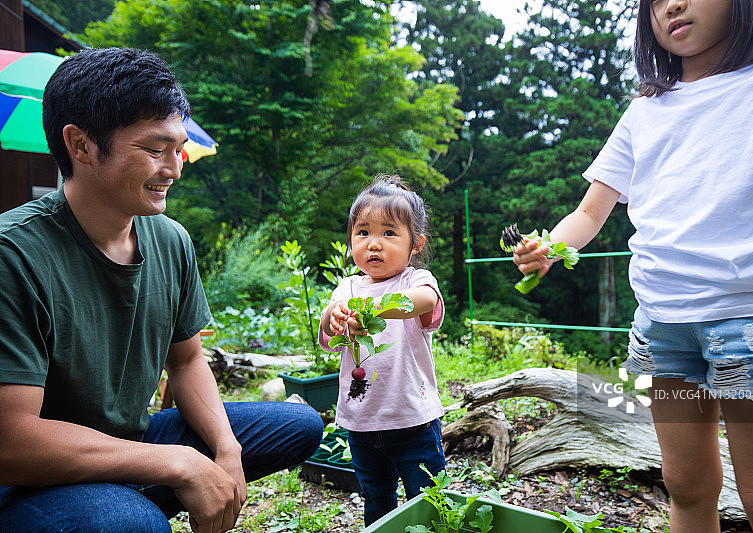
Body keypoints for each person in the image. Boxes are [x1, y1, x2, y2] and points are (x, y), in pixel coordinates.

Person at [0, 47, 322, 533]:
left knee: (298, 426)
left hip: (129, 442)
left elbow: (188, 361)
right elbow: (11, 440)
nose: (174, 167)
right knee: (134, 522)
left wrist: (224, 450)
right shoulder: (13, 254)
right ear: (81, 146)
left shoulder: (170, 240)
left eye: (179, 147)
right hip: (28, 481)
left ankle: (126, 501)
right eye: (154, 149)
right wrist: (179, 465)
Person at [513, 1, 753, 531]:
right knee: (686, 486)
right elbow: (589, 210)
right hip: (661, 330)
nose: (672, 5)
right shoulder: (646, 109)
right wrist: (547, 249)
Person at [319, 176, 446, 526]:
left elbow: (424, 302)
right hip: (361, 422)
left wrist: (374, 308)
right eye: (363, 233)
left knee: (428, 500)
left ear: (415, 244)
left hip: (413, 420)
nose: (374, 244)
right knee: (376, 499)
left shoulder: (414, 282)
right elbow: (329, 330)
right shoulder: (345, 288)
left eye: (389, 233)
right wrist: (336, 317)